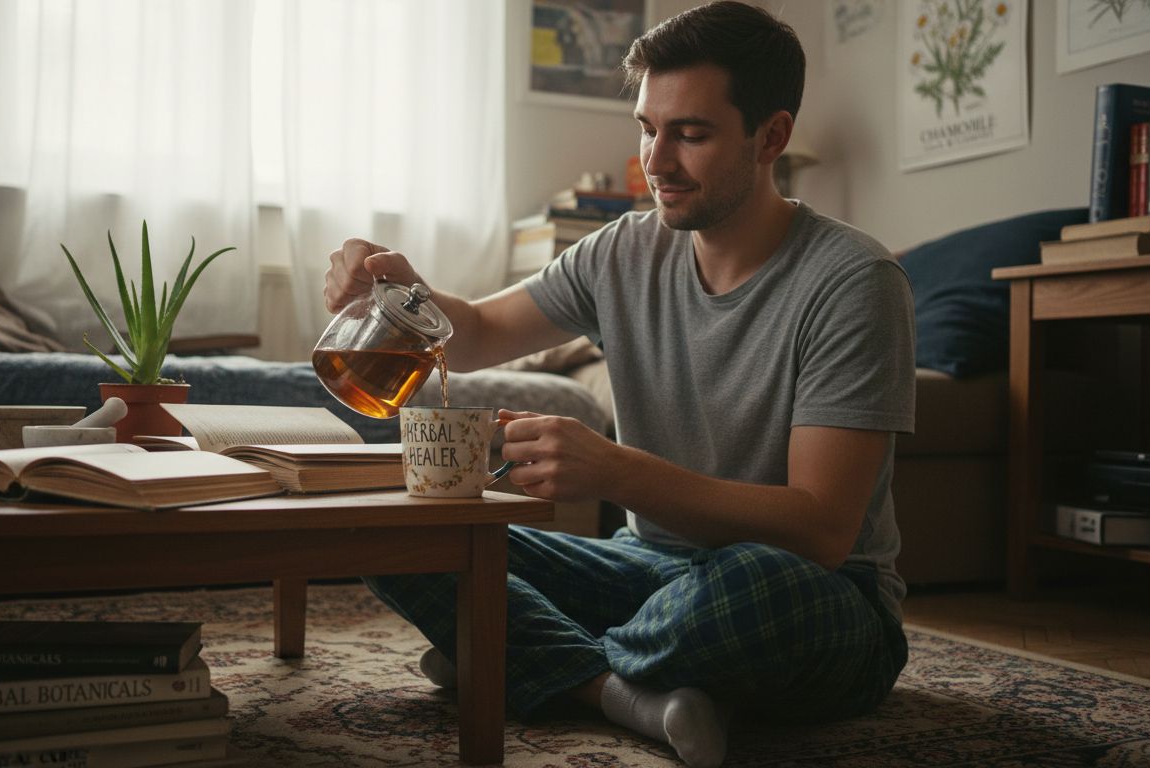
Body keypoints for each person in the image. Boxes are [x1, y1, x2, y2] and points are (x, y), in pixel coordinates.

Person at [322, 3, 913, 766]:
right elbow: (477, 334)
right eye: (647, 127)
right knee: (393, 526)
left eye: (690, 134)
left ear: (771, 136)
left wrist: (613, 469)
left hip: (816, 594)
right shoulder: (622, 251)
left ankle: (513, 653)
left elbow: (822, 530)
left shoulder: (854, 281)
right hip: (647, 572)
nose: (655, 161)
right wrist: (398, 288)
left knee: (755, 586)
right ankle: (615, 689)